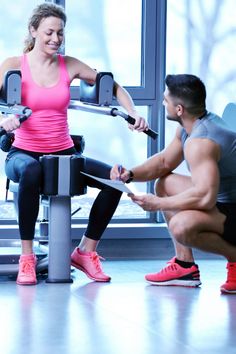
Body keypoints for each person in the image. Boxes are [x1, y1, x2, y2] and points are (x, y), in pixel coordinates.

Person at [0, 3, 148, 285]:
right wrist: (3, 120)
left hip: (64, 153)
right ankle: (27, 258)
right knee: (31, 170)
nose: (55, 39)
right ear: (33, 31)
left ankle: (84, 251)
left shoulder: (70, 64)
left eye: (60, 33)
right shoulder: (13, 65)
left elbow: (114, 86)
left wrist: (133, 113)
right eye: (48, 32)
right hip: (23, 153)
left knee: (115, 181)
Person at [111, 74, 236, 294]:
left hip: (231, 207)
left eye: (165, 100)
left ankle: (235, 258)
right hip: (222, 198)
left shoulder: (201, 142)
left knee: (181, 226)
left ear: (179, 109)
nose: (162, 103)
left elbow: (205, 197)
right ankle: (185, 266)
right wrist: (129, 174)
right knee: (165, 182)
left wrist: (157, 204)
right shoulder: (193, 124)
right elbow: (164, 162)